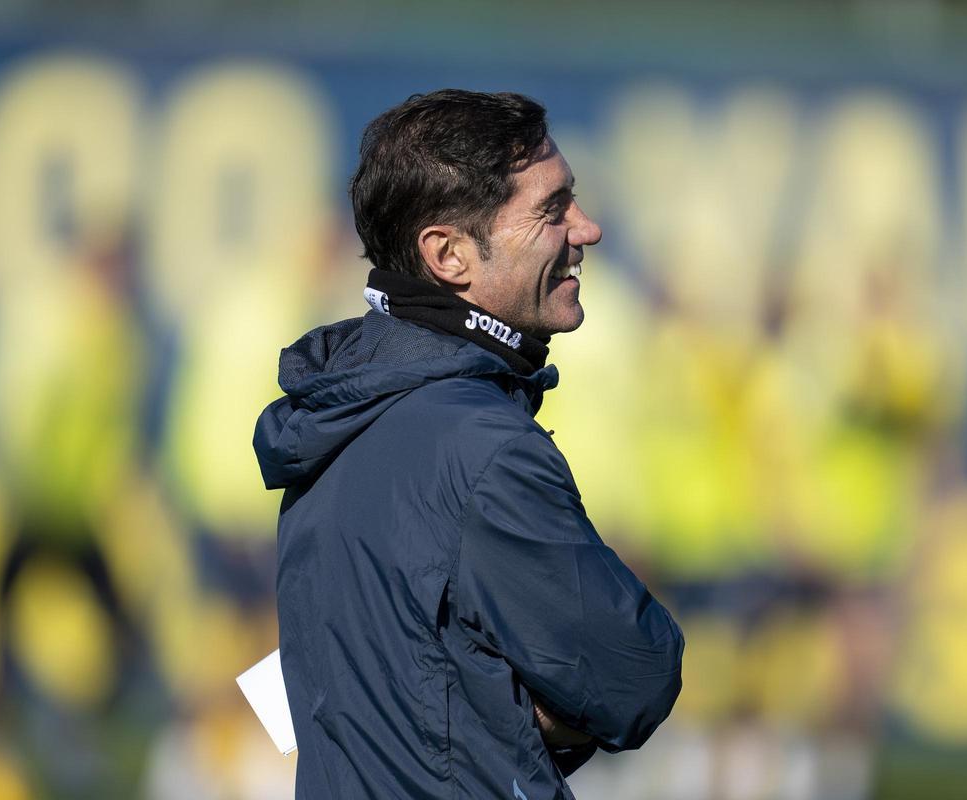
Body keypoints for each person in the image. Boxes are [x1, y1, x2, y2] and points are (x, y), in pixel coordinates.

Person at [253, 90, 684, 799]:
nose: (589, 228)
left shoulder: (336, 414)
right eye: (553, 209)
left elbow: (342, 689)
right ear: (449, 255)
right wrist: (506, 706)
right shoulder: (482, 446)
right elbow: (636, 675)